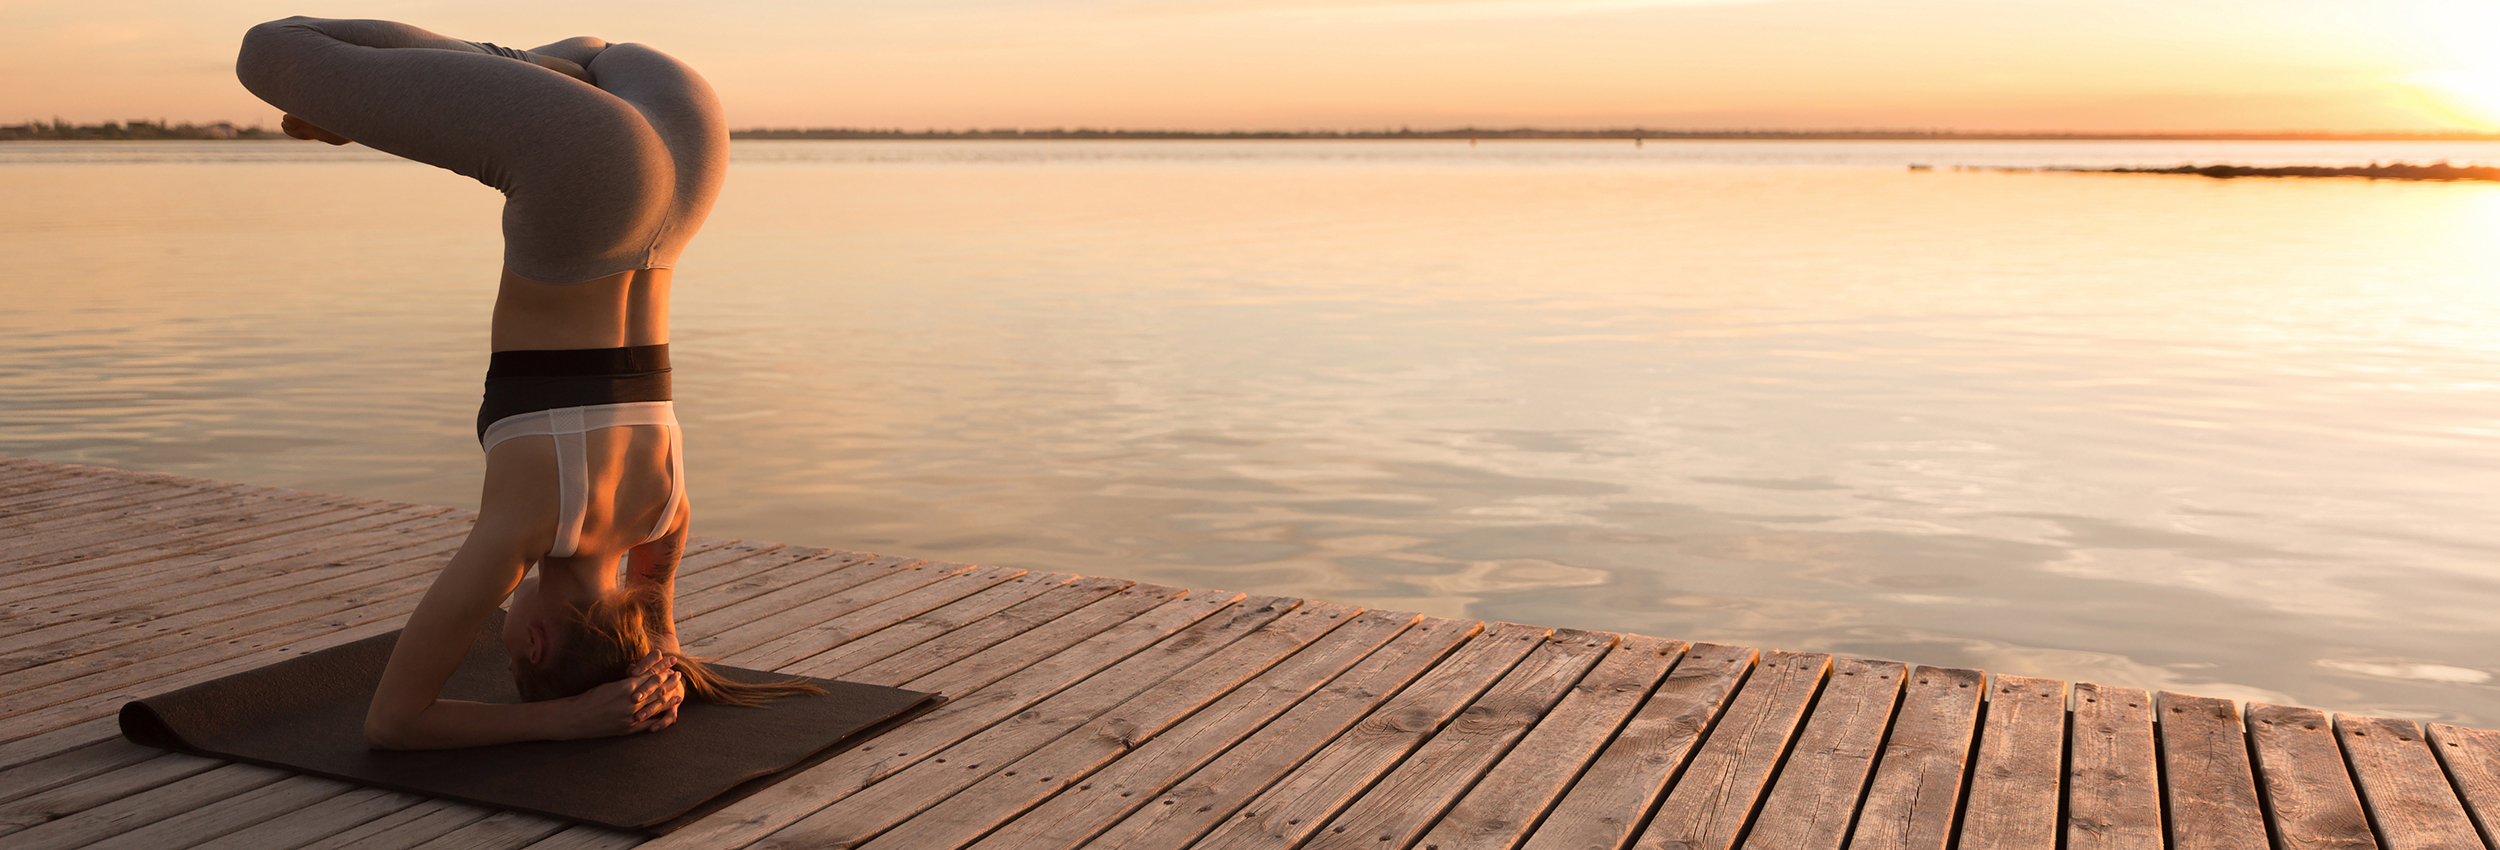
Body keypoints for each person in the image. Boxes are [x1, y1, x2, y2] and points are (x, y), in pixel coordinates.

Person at [236, 16, 817, 750]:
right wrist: (566, 720)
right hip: (588, 170)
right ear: (536, 645)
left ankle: (529, 72)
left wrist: (656, 665)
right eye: (510, 654)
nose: (502, 633)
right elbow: (394, 724)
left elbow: (659, 622)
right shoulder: (524, 531)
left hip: (687, 171)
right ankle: (394, 102)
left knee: (599, 55)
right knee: (270, 49)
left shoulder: (661, 511)